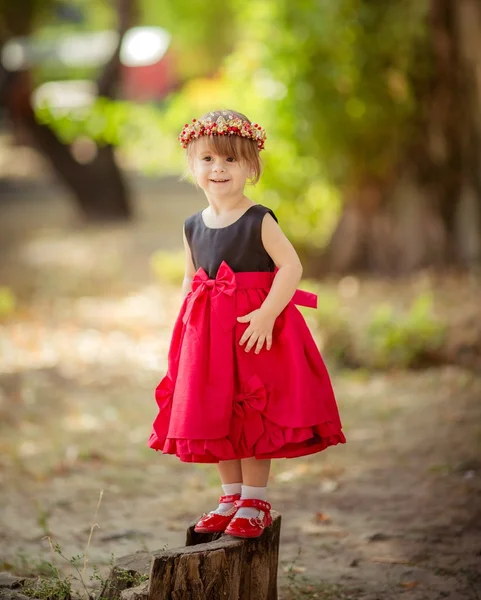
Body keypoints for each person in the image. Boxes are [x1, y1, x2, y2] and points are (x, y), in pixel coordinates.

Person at [148, 109, 346, 539]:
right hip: (210, 336)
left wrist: (267, 313)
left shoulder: (259, 219)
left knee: (255, 409)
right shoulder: (192, 226)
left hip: (256, 331)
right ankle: (230, 494)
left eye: (231, 160)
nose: (218, 169)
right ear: (192, 165)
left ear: (251, 167)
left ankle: (255, 497)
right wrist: (185, 322)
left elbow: (290, 267)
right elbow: (190, 276)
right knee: (217, 409)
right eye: (208, 160)